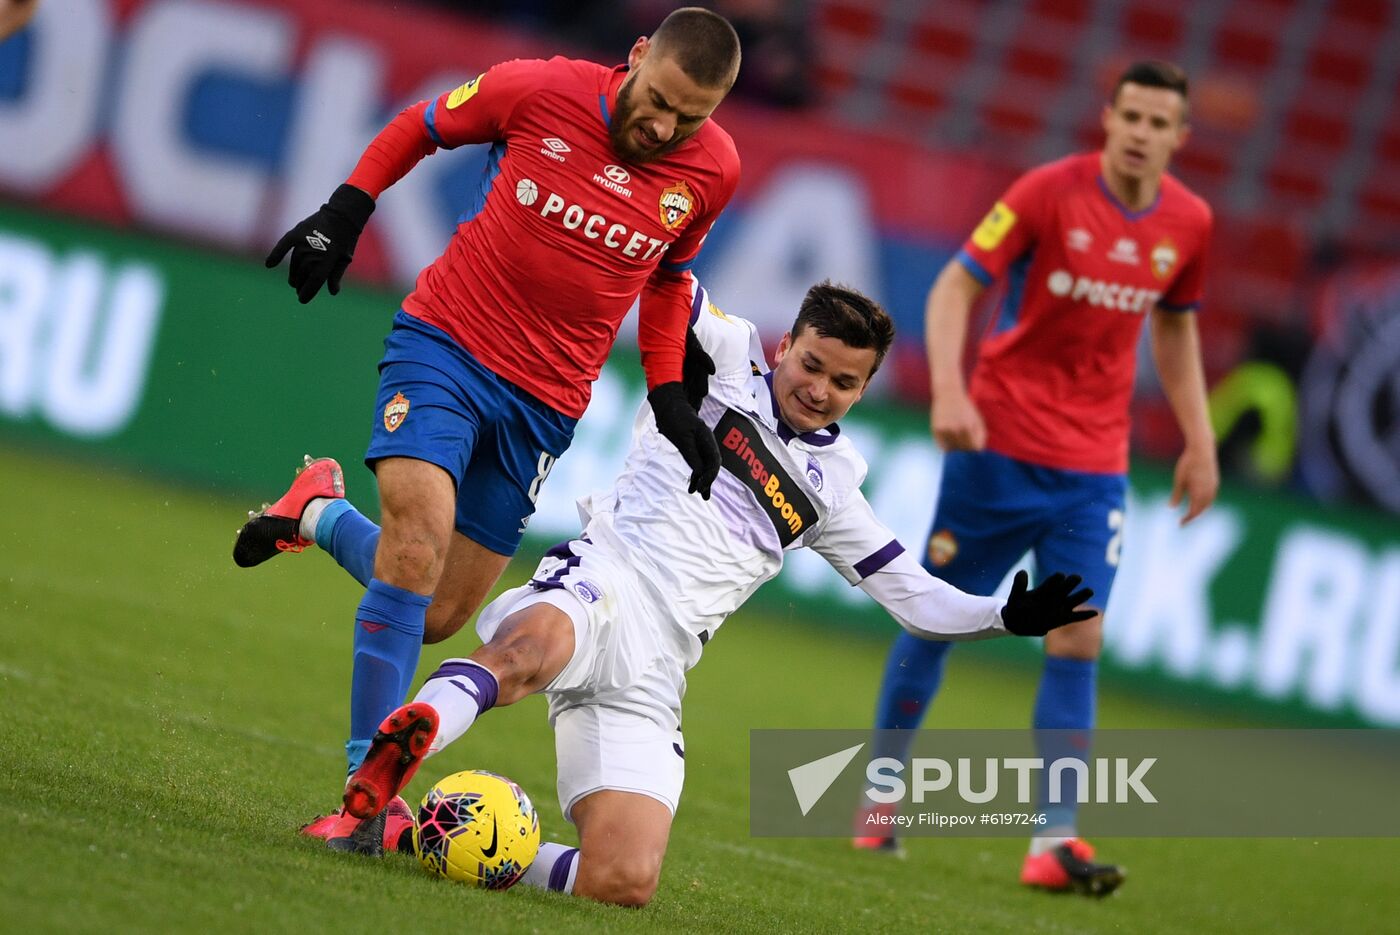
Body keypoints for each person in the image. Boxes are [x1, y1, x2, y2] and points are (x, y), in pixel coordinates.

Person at [331, 279, 1098, 903]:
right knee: (526, 653)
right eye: (811, 365)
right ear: (784, 344)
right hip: (607, 578)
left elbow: (916, 599)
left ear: (865, 389)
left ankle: (436, 839)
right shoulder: (728, 364)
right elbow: (667, 276)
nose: (820, 390)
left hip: (658, 671)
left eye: (844, 382)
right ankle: (406, 737)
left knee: (622, 880)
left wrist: (1005, 614)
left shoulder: (834, 490)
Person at [239, 7, 743, 851]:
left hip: (546, 401)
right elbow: (421, 124)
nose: (664, 126)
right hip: (446, 345)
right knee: (415, 541)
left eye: (689, 117)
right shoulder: (539, 88)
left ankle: (315, 512)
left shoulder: (713, 171)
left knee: (435, 612)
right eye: (658, 100)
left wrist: (666, 392)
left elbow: (669, 278)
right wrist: (347, 207)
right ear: (637, 57)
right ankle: (371, 795)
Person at [856, 60, 1218, 897]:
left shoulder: (1190, 223)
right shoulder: (1046, 192)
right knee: (940, 619)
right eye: (1130, 115)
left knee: (1078, 633)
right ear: (1109, 116)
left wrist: (1200, 438)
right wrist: (949, 387)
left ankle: (1052, 840)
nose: (1140, 132)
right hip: (998, 446)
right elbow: (955, 284)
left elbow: (1176, 330)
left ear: (1178, 136)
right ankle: (878, 798)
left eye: (1158, 123)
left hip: (1095, 466)